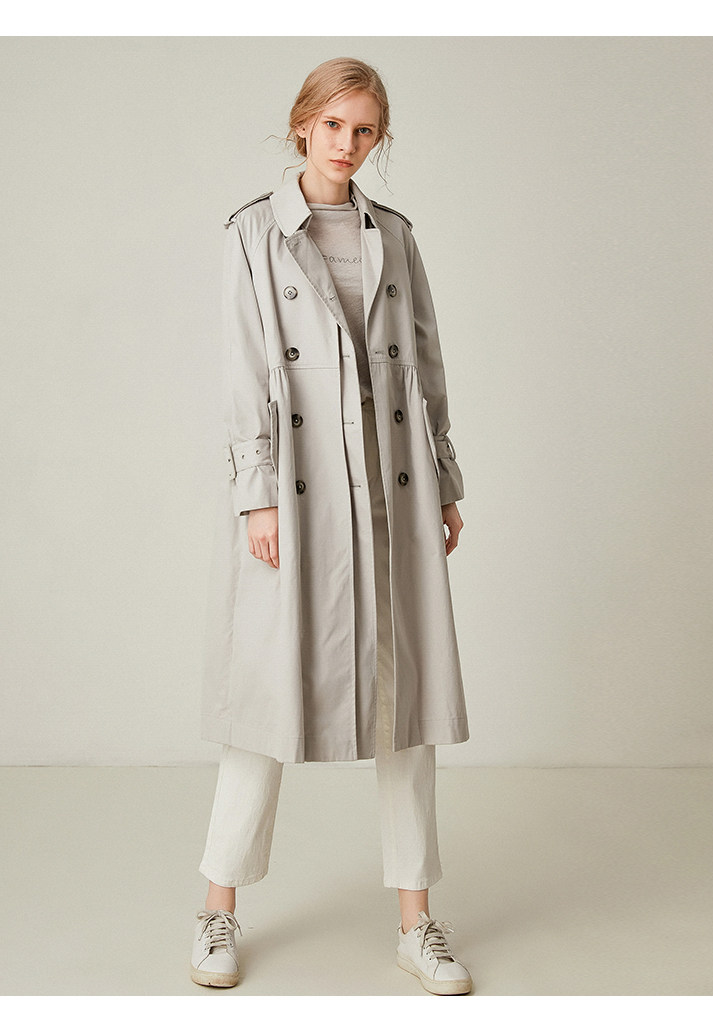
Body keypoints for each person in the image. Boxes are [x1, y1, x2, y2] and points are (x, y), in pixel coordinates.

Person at [192, 57, 472, 995]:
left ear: (376, 138)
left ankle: (417, 923)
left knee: (406, 708)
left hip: (393, 488)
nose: (347, 145)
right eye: (333, 126)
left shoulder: (396, 234)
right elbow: (242, 371)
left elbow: (426, 361)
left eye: (364, 130)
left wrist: (444, 481)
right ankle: (217, 910)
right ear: (302, 125)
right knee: (263, 703)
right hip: (301, 492)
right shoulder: (252, 234)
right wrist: (257, 494)